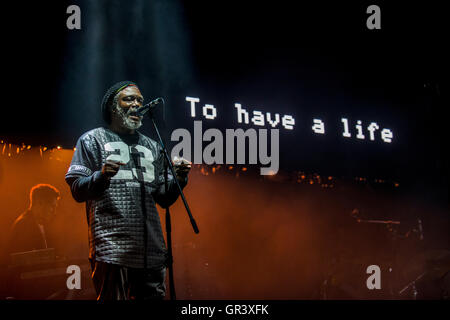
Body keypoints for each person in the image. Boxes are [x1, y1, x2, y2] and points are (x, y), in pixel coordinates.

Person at [65, 81, 191, 300]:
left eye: (140, 100)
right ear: (113, 107)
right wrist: (101, 175)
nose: (137, 104)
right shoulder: (91, 140)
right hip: (112, 248)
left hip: (152, 251)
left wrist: (180, 177)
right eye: (129, 99)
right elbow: (77, 190)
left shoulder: (153, 146)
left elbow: (164, 198)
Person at [7, 184, 60, 256]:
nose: (54, 212)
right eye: (52, 206)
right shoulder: (24, 226)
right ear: (40, 203)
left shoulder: (38, 223)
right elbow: (24, 262)